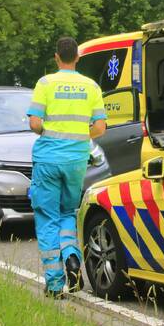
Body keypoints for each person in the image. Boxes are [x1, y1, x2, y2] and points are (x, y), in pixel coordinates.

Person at [27, 37, 107, 298]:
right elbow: (100, 128)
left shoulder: (45, 84)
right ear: (77, 58)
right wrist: (78, 136)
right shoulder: (91, 86)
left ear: (56, 57)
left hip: (48, 160)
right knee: (67, 213)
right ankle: (72, 258)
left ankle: (54, 282)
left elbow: (35, 123)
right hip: (76, 162)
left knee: (48, 217)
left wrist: (50, 130)